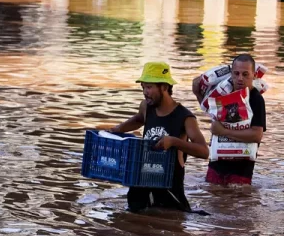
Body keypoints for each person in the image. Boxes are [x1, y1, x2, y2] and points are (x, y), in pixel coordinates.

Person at [109, 62, 210, 213]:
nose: (145, 92)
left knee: (170, 227)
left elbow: (204, 151)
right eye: (143, 87)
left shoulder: (185, 117)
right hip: (142, 183)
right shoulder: (146, 107)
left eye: (149, 87)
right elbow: (138, 119)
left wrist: (174, 142)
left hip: (168, 189)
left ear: (164, 87)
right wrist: (116, 130)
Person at [205, 54, 267, 185]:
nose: (240, 78)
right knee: (211, 200)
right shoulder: (223, 94)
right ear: (231, 74)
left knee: (239, 201)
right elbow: (207, 108)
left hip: (241, 171)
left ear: (254, 75)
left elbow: (257, 135)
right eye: (236, 73)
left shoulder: (256, 99)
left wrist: (223, 132)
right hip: (216, 166)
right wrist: (197, 92)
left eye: (245, 74)